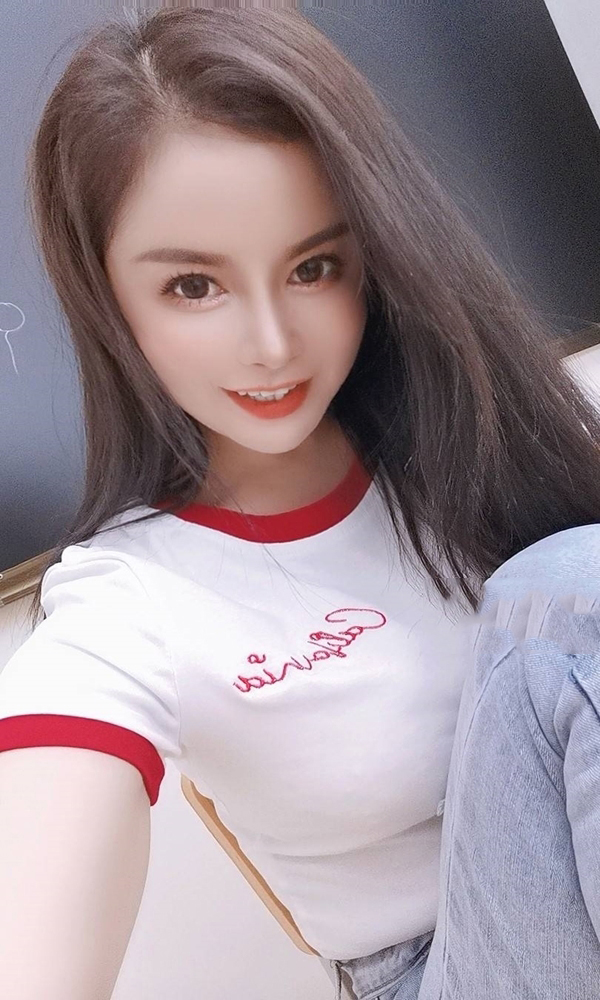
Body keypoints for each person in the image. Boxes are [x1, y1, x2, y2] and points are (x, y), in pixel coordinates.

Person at [0, 6, 599, 999]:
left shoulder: (481, 438)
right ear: (108, 299)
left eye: (314, 268)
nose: (273, 343)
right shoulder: (129, 602)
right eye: (195, 287)